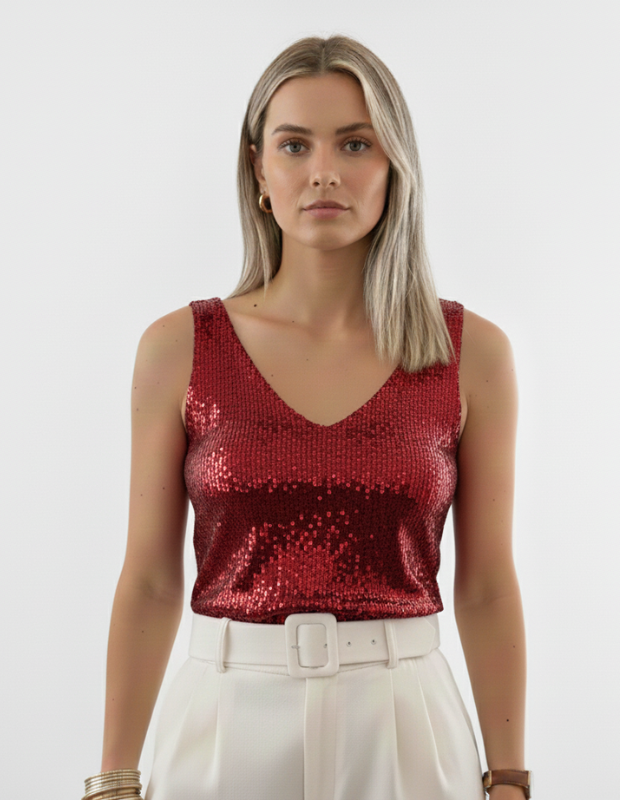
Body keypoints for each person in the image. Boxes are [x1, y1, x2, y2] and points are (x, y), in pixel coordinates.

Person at [82, 34, 530, 800]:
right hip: (224, 721)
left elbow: (486, 584)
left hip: (406, 728)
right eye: (295, 145)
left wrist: (510, 780)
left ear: (395, 166)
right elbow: (151, 581)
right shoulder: (179, 349)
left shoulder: (470, 354)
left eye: (355, 143)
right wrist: (113, 779)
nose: (324, 171)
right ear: (259, 169)